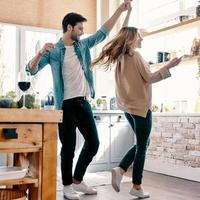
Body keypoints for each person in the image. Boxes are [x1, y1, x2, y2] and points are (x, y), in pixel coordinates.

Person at [26, 1, 132, 200]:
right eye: (80, 28)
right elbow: (30, 69)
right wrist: (40, 52)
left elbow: (103, 32)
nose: (83, 32)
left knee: (93, 143)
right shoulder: (54, 51)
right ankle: (67, 187)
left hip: (83, 103)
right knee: (68, 148)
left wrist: (119, 10)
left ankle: (77, 179)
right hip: (65, 106)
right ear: (69, 28)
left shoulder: (82, 46)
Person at [91, 11, 182, 199]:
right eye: (139, 35)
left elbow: (123, 31)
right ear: (132, 38)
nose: (141, 38)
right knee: (142, 146)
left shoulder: (121, 56)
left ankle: (121, 168)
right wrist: (169, 66)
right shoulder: (136, 56)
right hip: (141, 107)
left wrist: (129, 10)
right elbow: (149, 78)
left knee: (143, 142)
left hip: (127, 107)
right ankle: (136, 186)